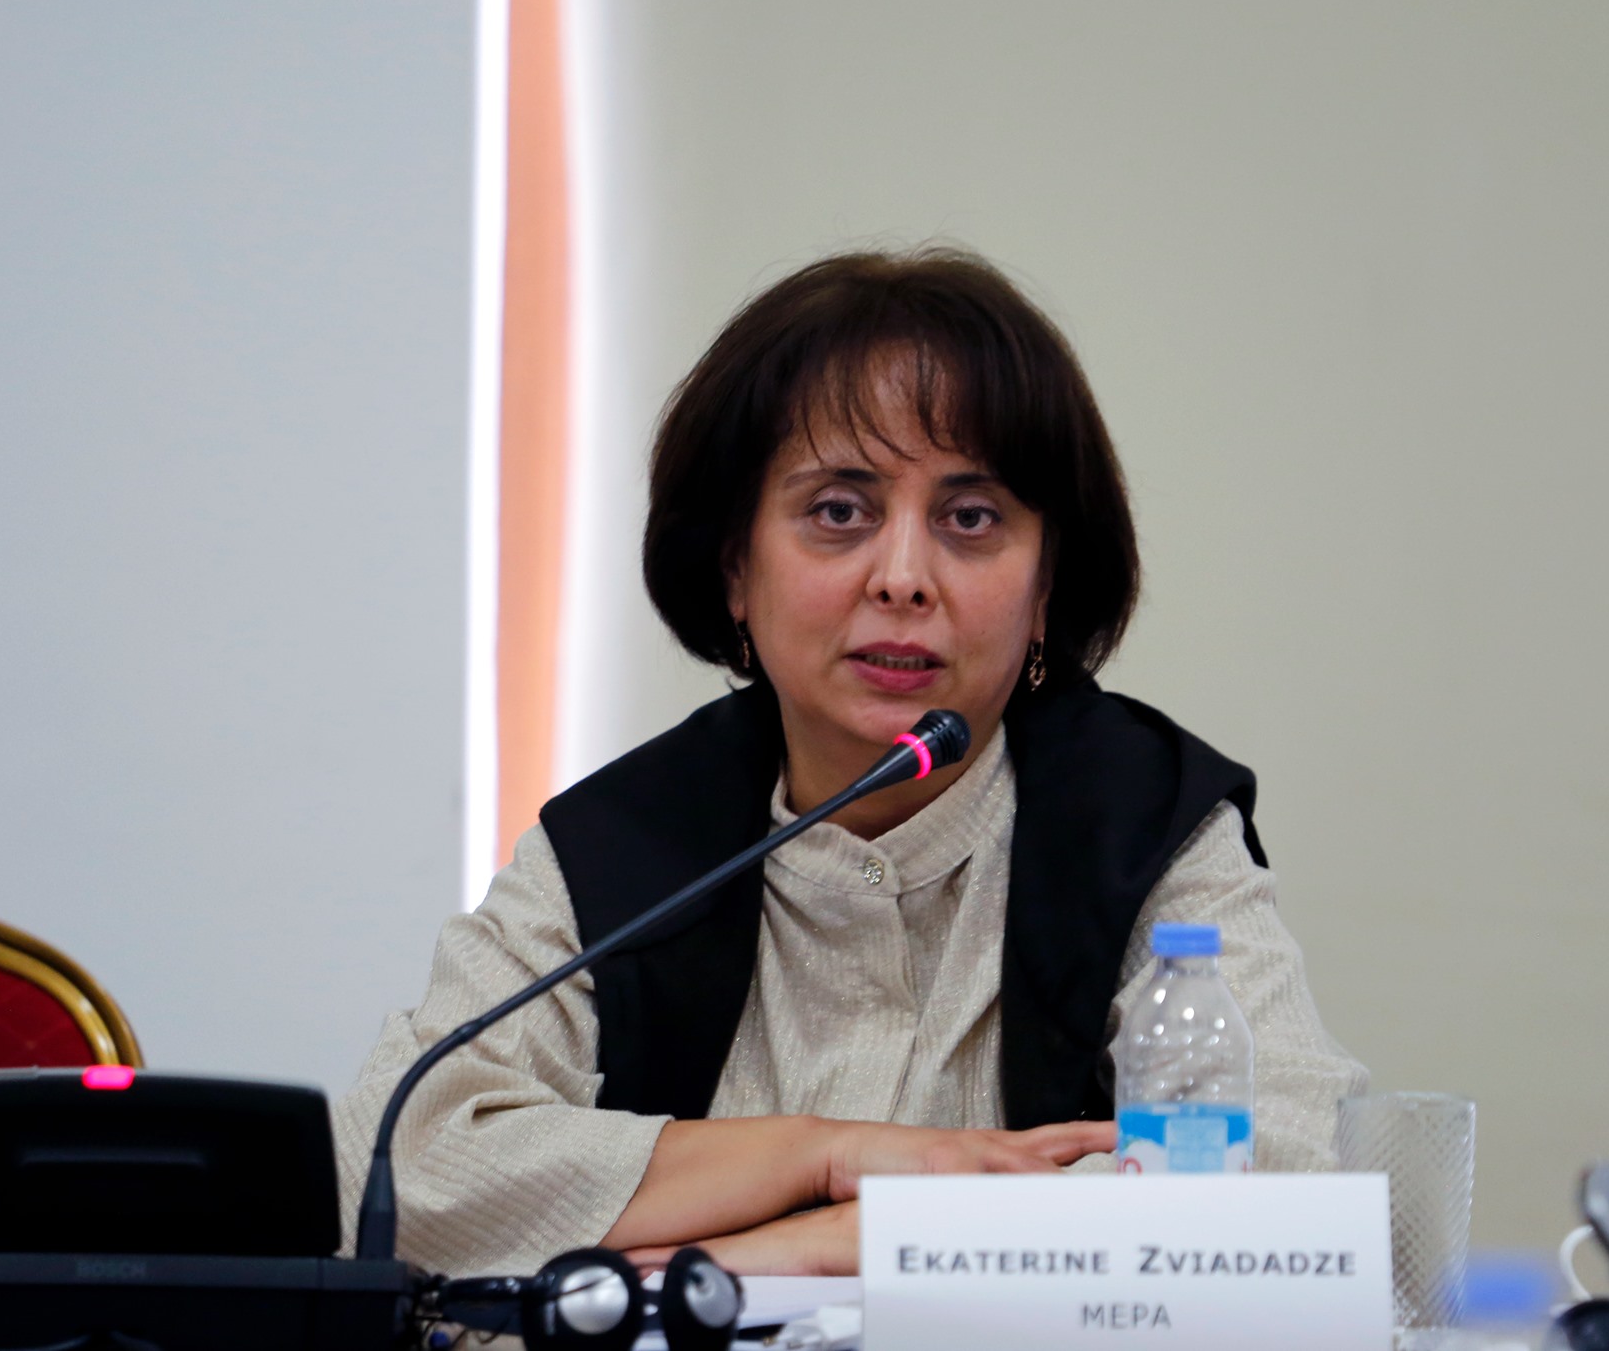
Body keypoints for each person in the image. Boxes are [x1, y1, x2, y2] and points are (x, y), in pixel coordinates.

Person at [333, 247, 1364, 1278]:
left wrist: (827, 1245)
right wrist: (819, 1160)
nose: (903, 577)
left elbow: (1289, 1173)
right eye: (838, 510)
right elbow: (388, 1167)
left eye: (970, 518)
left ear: (1045, 585)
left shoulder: (1142, 825)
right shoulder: (622, 848)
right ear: (735, 569)